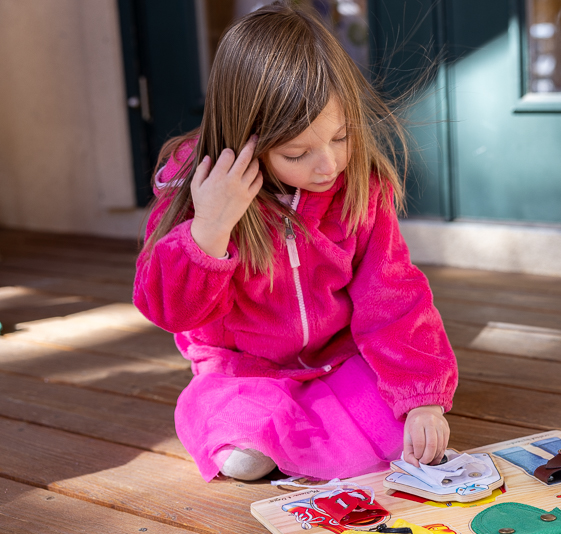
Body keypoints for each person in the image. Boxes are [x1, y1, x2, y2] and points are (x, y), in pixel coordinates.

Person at [133, 2, 457, 483]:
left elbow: (391, 295)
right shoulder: (199, 188)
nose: (328, 165)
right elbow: (168, 309)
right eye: (297, 152)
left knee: (404, 439)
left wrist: (422, 397)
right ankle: (223, 416)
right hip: (243, 372)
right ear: (246, 139)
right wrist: (211, 227)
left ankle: (315, 420)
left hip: (340, 361)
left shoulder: (358, 186)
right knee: (244, 461)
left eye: (342, 137)